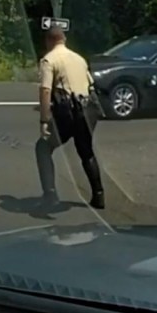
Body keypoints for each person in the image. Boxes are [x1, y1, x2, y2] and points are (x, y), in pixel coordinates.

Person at [35, 24, 105, 210]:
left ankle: (50, 195)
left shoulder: (49, 60)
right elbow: (90, 85)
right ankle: (99, 196)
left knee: (43, 147)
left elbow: (45, 90)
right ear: (64, 39)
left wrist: (44, 120)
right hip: (87, 111)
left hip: (67, 113)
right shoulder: (79, 59)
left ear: (49, 40)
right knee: (86, 152)